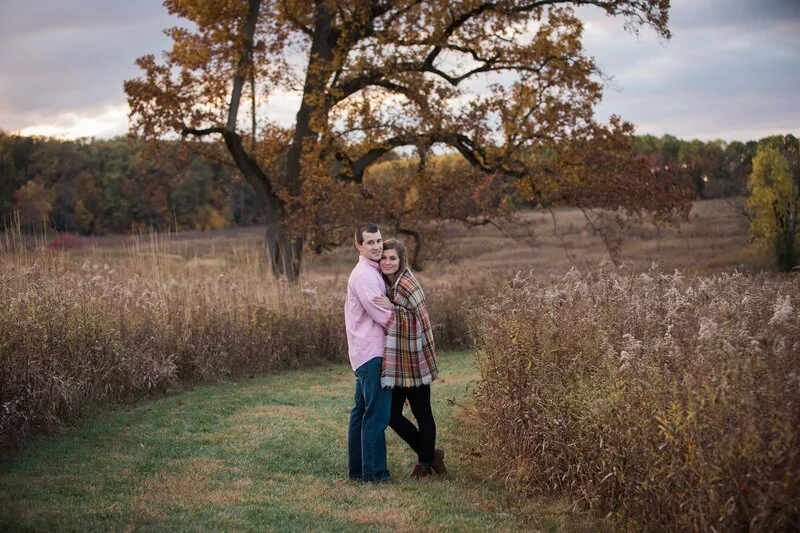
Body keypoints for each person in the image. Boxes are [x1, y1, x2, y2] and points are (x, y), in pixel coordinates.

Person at [373, 239, 447, 479]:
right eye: (383, 258)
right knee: (391, 416)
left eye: (392, 258)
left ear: (401, 260)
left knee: (423, 412)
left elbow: (418, 321)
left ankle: (424, 465)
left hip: (415, 359)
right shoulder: (388, 285)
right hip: (398, 362)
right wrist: (392, 306)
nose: (387, 262)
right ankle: (431, 454)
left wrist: (393, 309)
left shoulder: (407, 284)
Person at [345, 223, 394, 483]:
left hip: (365, 352)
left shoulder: (371, 272)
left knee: (361, 413)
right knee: (376, 416)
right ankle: (375, 474)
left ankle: (358, 471)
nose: (376, 246)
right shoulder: (364, 275)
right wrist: (406, 315)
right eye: (370, 242)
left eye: (379, 241)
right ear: (359, 246)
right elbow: (382, 315)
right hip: (372, 354)